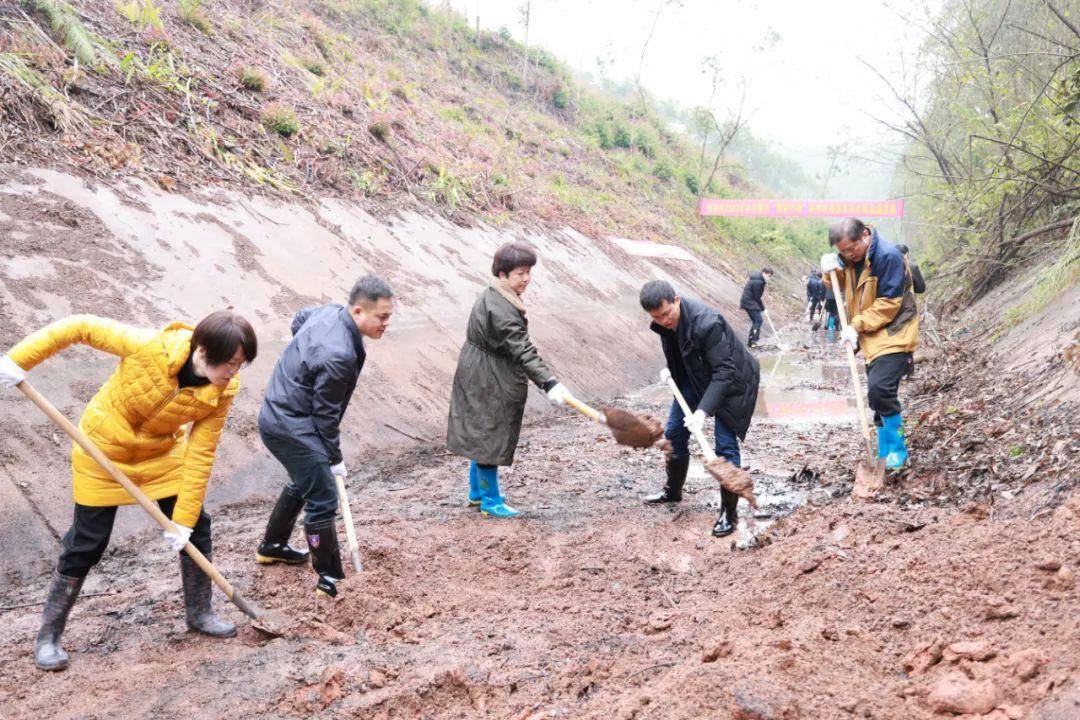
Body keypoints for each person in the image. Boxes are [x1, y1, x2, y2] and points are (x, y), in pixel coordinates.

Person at [0, 311, 257, 671]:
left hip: (161, 455)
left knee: (197, 528)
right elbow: (80, 327)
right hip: (102, 451)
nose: (234, 372)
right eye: (231, 363)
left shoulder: (223, 390)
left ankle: (200, 613)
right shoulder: (150, 347)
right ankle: (49, 637)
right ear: (203, 350)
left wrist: (181, 521)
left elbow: (201, 452)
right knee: (86, 543)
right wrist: (19, 359)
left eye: (241, 364)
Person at [256, 275, 394, 600]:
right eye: (382, 317)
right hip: (291, 425)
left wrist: (303, 357)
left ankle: (271, 546)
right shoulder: (339, 356)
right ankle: (330, 579)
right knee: (323, 498)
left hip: (280, 413)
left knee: (307, 479)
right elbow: (325, 417)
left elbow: (299, 319)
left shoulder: (329, 312)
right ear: (359, 311)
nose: (387, 323)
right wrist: (334, 458)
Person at [446, 241, 570, 518]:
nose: (526, 279)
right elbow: (521, 347)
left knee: (482, 430)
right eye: (520, 273)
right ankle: (491, 501)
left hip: (480, 368)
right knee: (490, 433)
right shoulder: (500, 306)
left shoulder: (498, 294)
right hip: (487, 375)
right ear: (502, 274)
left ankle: (477, 493)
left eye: (528, 272)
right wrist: (548, 382)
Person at [639, 281, 760, 537]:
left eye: (666, 314)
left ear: (677, 300)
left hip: (732, 382)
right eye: (656, 317)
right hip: (695, 378)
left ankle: (729, 512)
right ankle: (673, 492)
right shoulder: (665, 324)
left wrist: (703, 411)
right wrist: (669, 371)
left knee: (725, 447)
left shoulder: (707, 323)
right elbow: (679, 354)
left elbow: (725, 372)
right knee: (674, 434)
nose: (663, 321)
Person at [822, 218, 919, 470]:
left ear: (865, 235)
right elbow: (840, 283)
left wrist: (855, 326)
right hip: (872, 336)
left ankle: (897, 449)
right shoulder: (852, 260)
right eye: (842, 251)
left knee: (880, 389)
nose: (848, 255)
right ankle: (884, 449)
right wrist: (829, 270)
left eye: (851, 248)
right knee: (877, 396)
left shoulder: (888, 257)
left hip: (895, 331)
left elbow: (888, 304)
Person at [738, 267, 774, 347]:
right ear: (764, 273)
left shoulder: (758, 279)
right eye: (769, 275)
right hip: (749, 303)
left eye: (770, 276)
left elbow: (756, 297)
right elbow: (757, 297)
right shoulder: (759, 282)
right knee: (758, 321)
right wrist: (763, 309)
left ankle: (756, 340)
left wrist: (762, 309)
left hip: (750, 302)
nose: (769, 278)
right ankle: (752, 342)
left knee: (758, 321)